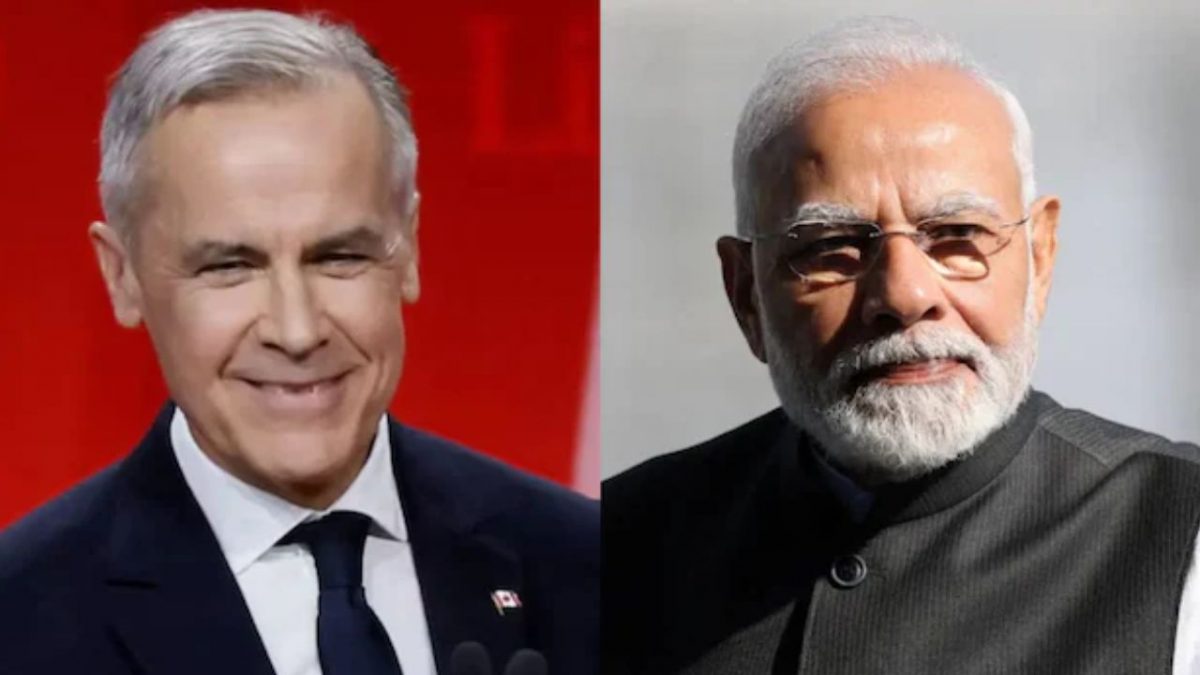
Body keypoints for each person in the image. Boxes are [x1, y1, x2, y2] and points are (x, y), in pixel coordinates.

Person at [0, 9, 597, 675]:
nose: (297, 328)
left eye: (339, 256)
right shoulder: (20, 617)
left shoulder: (587, 562)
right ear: (123, 275)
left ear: (409, 248)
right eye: (229, 266)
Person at [603, 16, 1200, 675]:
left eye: (955, 235)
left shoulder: (1177, 533)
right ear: (745, 293)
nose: (906, 294)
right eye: (831, 248)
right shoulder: (616, 546)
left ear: (1040, 258)